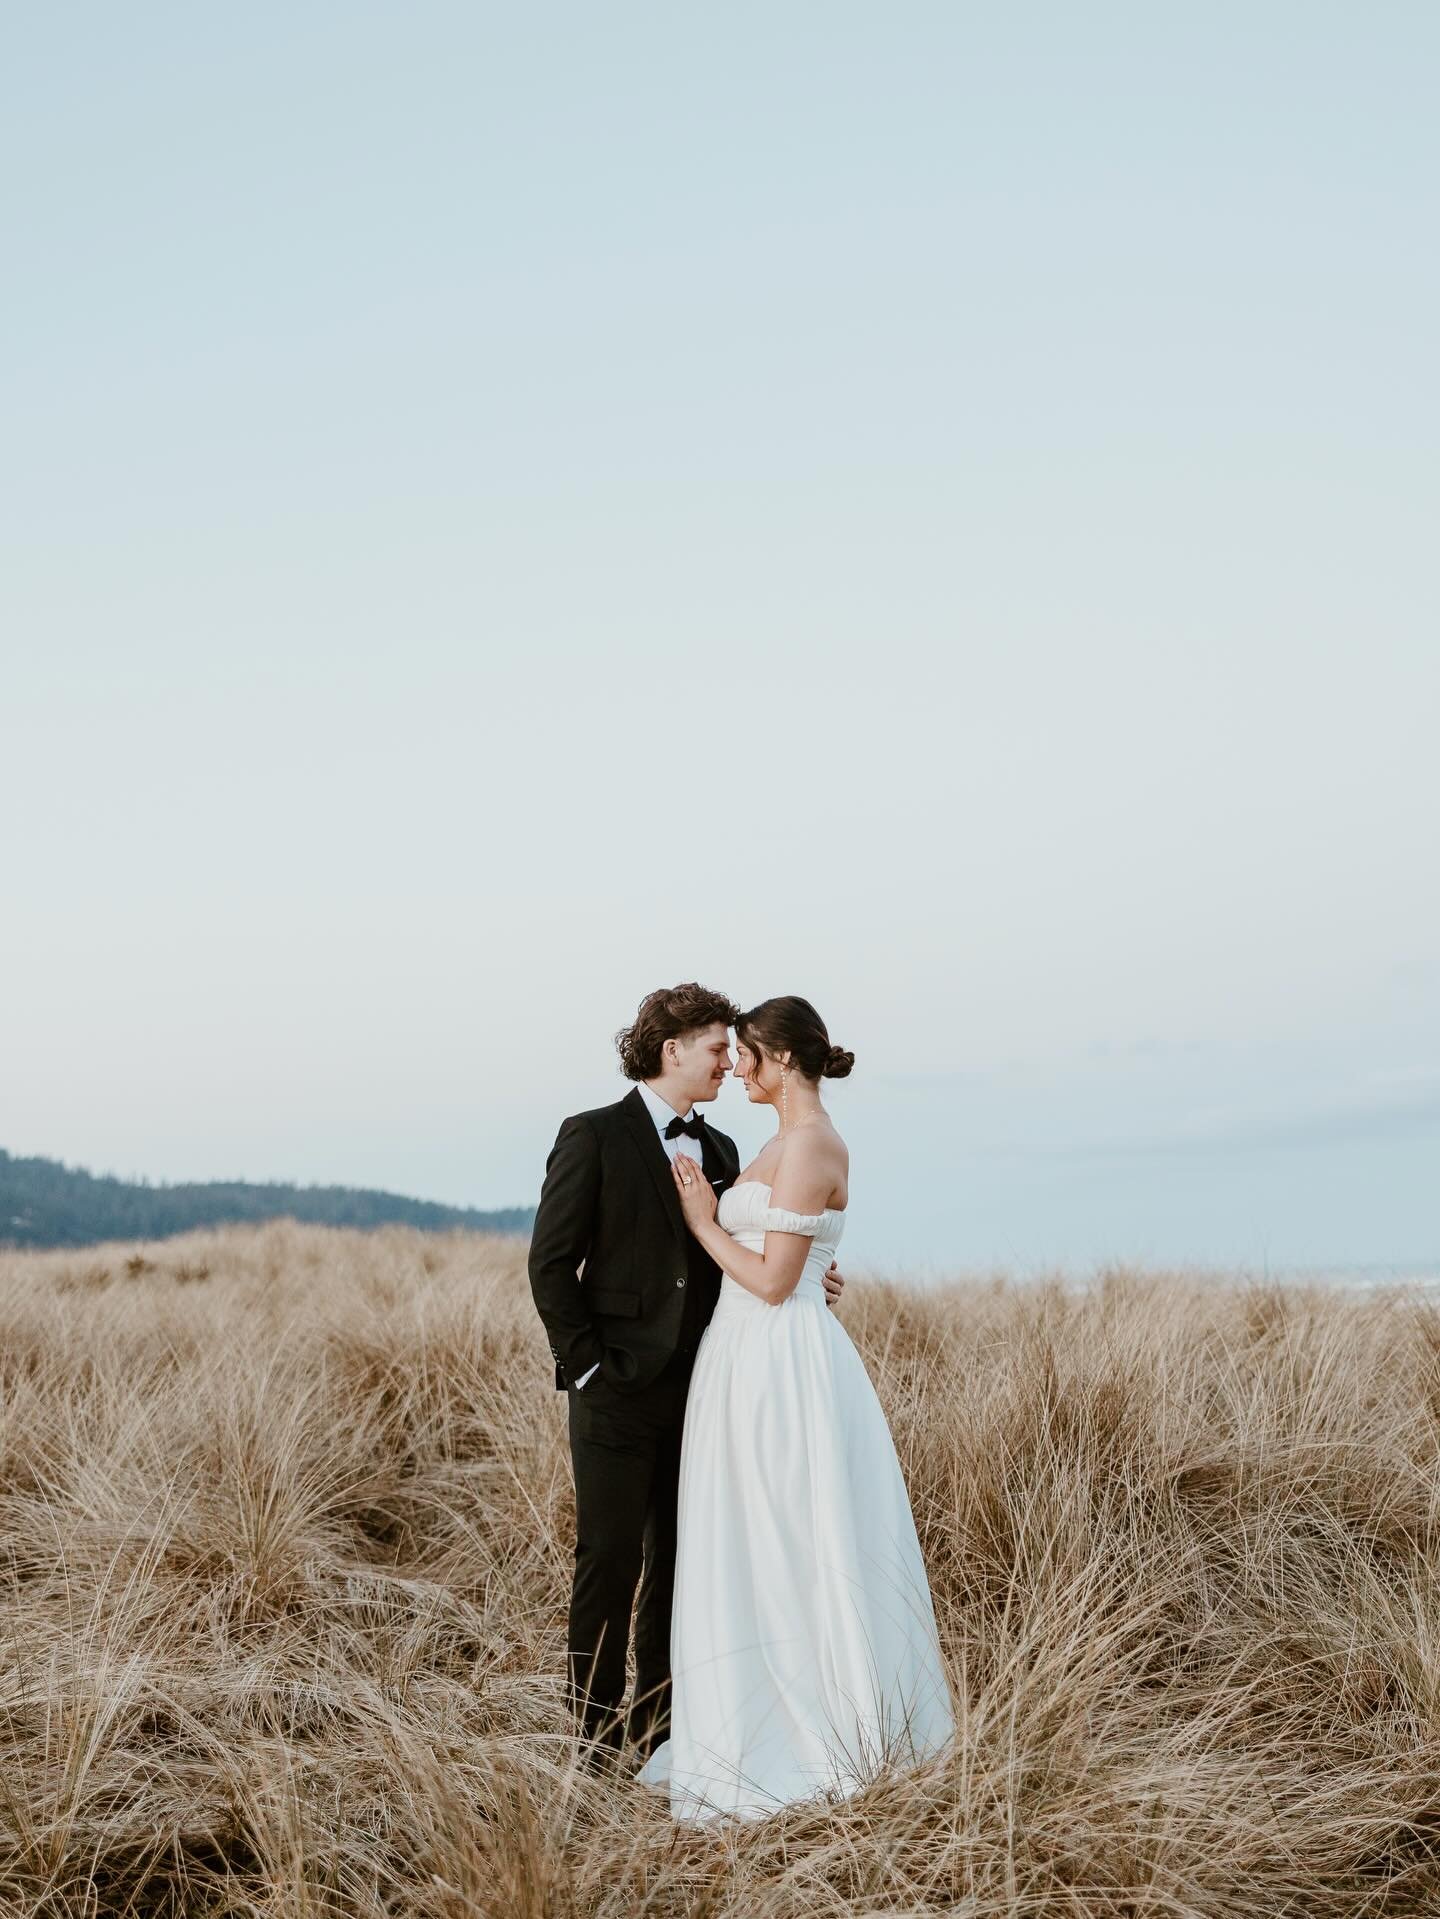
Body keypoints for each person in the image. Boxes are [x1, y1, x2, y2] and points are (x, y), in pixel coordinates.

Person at [636, 995, 955, 1822]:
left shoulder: (812, 1143)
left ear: (780, 1057)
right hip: (740, 1354)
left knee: (788, 1534)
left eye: (744, 1051)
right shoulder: (778, 1141)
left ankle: (809, 1734)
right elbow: (791, 1255)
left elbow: (777, 1280)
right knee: (744, 1531)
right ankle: (742, 1715)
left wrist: (704, 1222)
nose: (735, 1065)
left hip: (780, 1360)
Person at [527, 983, 846, 1762]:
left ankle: (660, 1731)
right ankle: (592, 1739)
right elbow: (549, 1264)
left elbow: (743, 1255)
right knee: (607, 1562)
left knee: (681, 1563)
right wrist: (588, 1368)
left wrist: (808, 1274)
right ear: (671, 1049)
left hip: (708, 1390)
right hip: (614, 1392)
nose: (728, 1063)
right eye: (715, 1048)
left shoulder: (728, 1150)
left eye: (735, 1050)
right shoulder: (594, 1135)